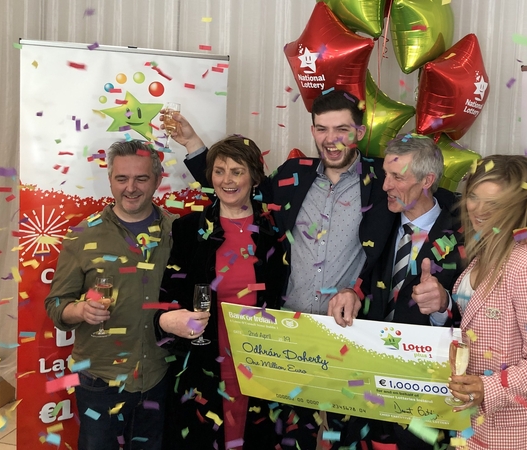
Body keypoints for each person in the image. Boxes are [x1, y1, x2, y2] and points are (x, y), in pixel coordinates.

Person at [169, 89, 397, 449]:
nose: (331, 139)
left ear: (359, 132)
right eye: (322, 129)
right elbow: (235, 189)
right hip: (288, 336)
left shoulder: (384, 181)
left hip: (347, 335)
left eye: (341, 129)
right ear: (312, 131)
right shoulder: (294, 175)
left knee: (344, 437)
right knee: (289, 436)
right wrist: (195, 145)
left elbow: (430, 206)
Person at [44, 140, 210, 450]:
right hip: (99, 382)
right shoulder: (82, 234)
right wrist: (80, 311)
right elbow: (55, 305)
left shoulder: (178, 233)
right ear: (110, 180)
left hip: (160, 377)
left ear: (158, 180)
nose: (130, 187)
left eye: (141, 178)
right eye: (122, 178)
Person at [157, 135, 286, 449]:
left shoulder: (277, 231)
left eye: (237, 171)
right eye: (219, 171)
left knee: (256, 438)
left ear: (254, 177)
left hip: (263, 360)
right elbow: (168, 296)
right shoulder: (188, 229)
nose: (227, 180)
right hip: (203, 360)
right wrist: (166, 321)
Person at [447, 155, 527, 449]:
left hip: (517, 433)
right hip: (475, 425)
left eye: (494, 204)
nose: (478, 209)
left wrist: (486, 388)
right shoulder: (487, 250)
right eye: (474, 197)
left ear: (515, 208)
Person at [358, 134, 463, 449]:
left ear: (427, 180)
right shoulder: (377, 219)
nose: (386, 185)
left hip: (428, 393)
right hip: (369, 382)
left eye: (397, 177)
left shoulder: (464, 233)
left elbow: (481, 313)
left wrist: (443, 305)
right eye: (386, 175)